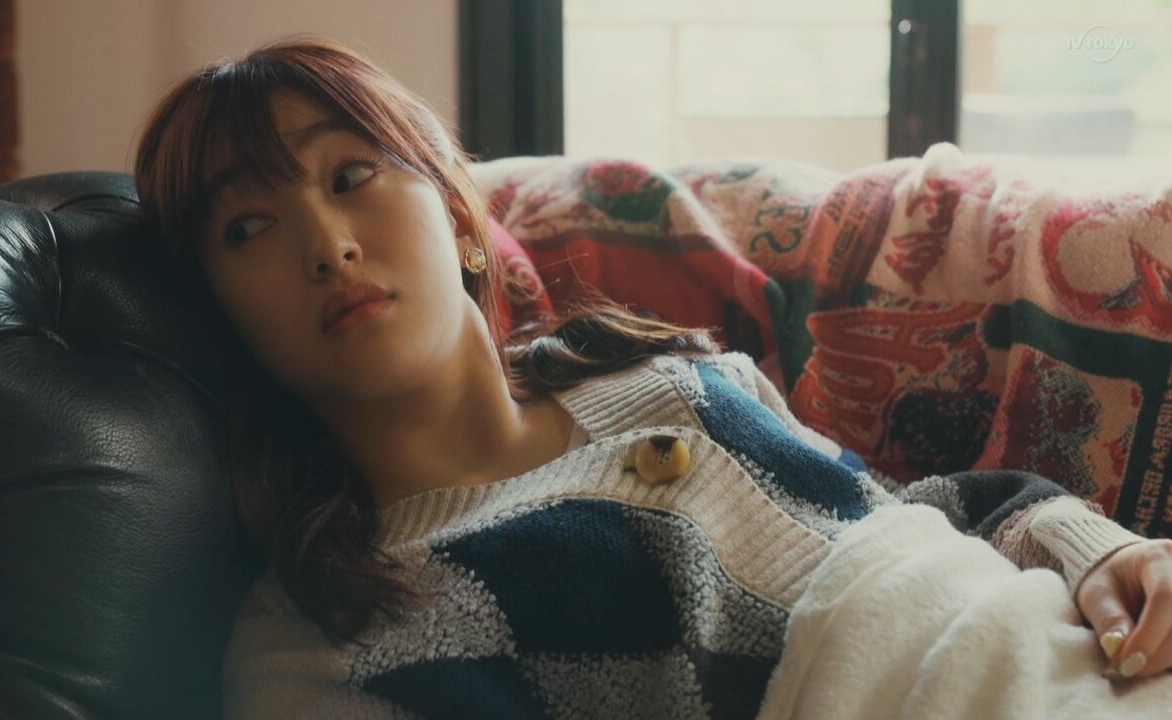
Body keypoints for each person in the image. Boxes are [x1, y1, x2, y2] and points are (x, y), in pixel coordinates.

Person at [132, 36, 1172, 718]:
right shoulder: (319, 638)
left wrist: (1099, 550)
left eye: (351, 175)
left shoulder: (659, 371)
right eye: (247, 227)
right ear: (219, 311)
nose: (326, 245)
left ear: (458, 219)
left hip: (1082, 657)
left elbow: (895, 509)